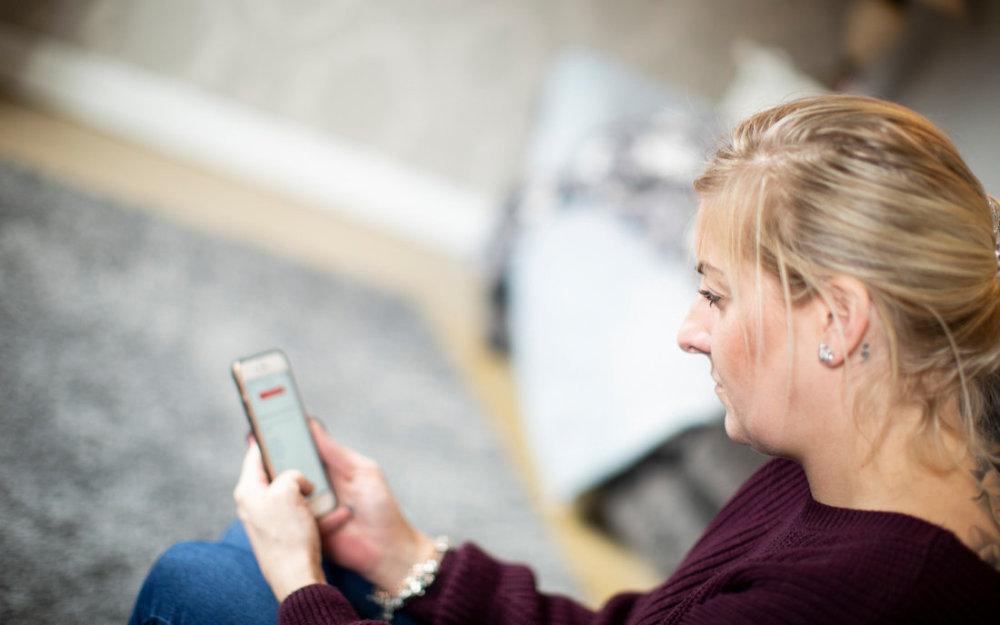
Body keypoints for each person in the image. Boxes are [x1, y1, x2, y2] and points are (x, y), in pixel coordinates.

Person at [128, 95, 1000, 624]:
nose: (689, 329)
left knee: (204, 583)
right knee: (270, 560)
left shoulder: (860, 601)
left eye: (718, 292)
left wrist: (299, 586)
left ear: (839, 319)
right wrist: (410, 558)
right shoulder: (835, 467)